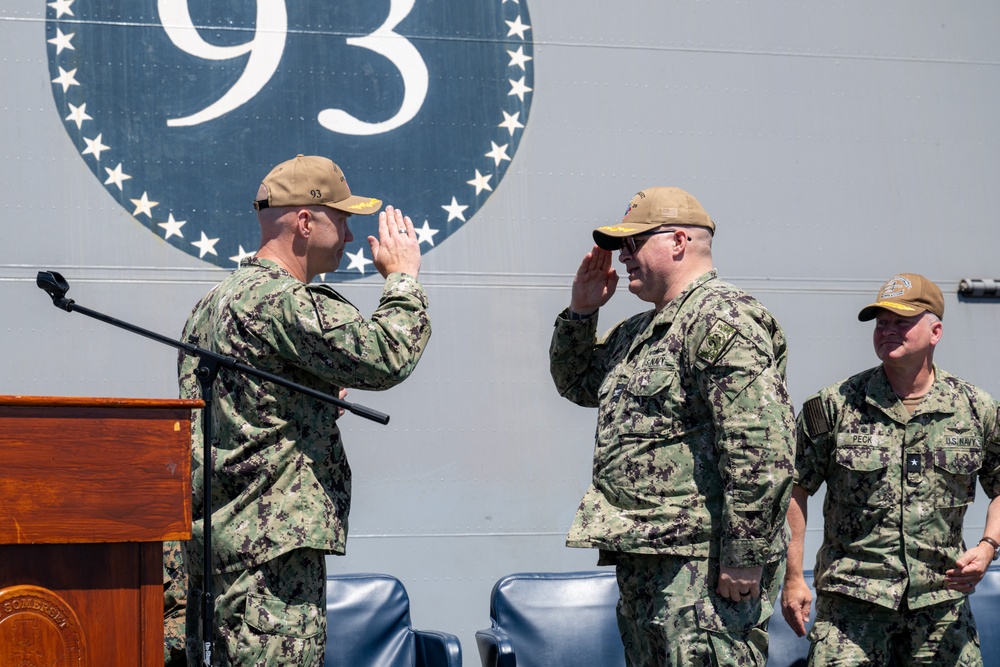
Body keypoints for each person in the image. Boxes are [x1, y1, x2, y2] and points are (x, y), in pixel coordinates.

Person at [178, 154, 431, 666]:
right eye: (342, 221)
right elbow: (387, 355)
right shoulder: (284, 301)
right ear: (304, 221)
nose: (352, 238)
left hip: (221, 552)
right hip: (272, 557)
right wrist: (403, 278)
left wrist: (311, 404)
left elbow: (249, 410)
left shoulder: (212, 303)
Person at [549, 186, 796, 666]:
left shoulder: (724, 318)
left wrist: (744, 551)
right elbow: (577, 381)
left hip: (702, 566)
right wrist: (581, 312)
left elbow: (761, 445)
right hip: (649, 558)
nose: (622, 258)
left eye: (633, 244)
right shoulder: (639, 332)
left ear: (678, 242)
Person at [780, 273, 1000, 666]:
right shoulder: (835, 405)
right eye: (882, 323)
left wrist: (988, 547)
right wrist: (794, 576)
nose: (888, 331)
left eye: (902, 321)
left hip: (941, 606)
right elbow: (796, 487)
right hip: (851, 607)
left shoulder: (976, 409)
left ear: (935, 331)